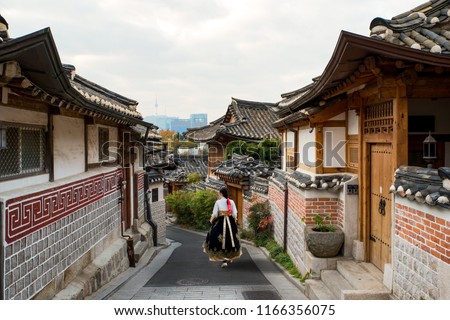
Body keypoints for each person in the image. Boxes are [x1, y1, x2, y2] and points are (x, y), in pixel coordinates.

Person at [203, 187, 242, 268]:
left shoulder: (218, 202)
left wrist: (211, 221)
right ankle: (229, 257)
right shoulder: (231, 202)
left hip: (220, 222)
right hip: (230, 222)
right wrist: (234, 220)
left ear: (221, 193)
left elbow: (214, 214)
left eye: (219, 193)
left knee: (216, 237)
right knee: (231, 239)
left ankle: (223, 258)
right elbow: (235, 213)